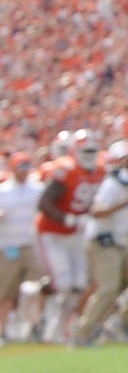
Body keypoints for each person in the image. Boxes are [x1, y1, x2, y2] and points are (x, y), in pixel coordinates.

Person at [79, 141, 128, 343]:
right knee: (107, 289)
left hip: (121, 242)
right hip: (103, 242)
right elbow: (96, 211)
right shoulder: (114, 183)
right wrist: (125, 203)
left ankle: (122, 323)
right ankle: (83, 333)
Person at [35, 129, 104, 340]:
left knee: (79, 285)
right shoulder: (64, 170)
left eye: (93, 150)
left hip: (77, 235)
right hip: (52, 233)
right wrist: (69, 219)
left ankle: (61, 328)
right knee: (63, 283)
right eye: (85, 150)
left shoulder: (101, 171)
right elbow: (44, 203)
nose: (89, 155)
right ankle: (37, 302)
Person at [0, 151, 44, 342]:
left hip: (29, 245)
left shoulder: (37, 189)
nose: (24, 172)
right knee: (6, 291)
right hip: (7, 246)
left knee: (35, 287)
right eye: (20, 168)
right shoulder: (3, 191)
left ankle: (34, 326)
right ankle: (2, 330)